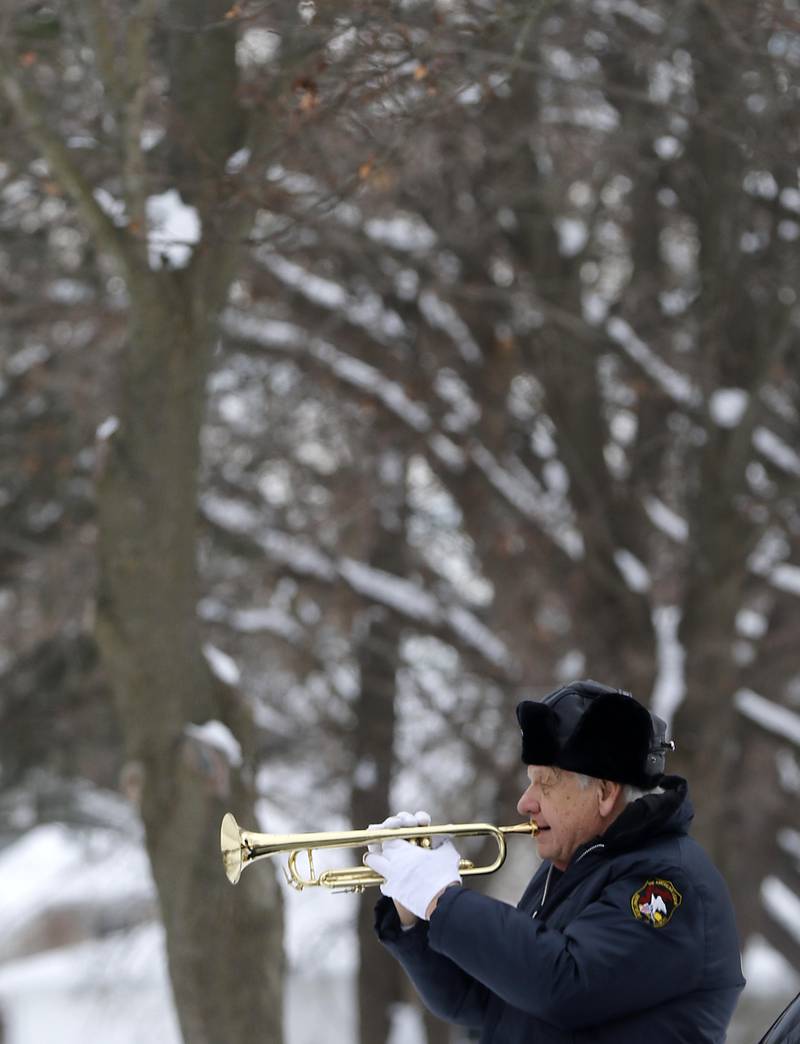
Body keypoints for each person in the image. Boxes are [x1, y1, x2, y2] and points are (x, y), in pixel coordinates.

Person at [366, 679, 745, 1043]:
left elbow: (566, 985)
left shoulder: (668, 882)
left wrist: (443, 900)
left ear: (605, 793)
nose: (525, 803)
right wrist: (413, 912)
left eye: (545, 783)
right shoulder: (572, 867)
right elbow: (482, 1002)